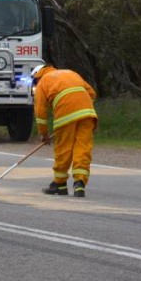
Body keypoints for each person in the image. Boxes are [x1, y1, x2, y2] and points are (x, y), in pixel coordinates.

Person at [31, 64, 98, 197]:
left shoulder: (43, 82)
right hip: (87, 113)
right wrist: (80, 106)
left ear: (37, 76)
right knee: (83, 148)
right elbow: (92, 93)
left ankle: (59, 183)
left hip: (66, 114)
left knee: (64, 149)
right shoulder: (70, 72)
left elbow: (40, 113)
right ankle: (80, 183)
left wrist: (44, 134)